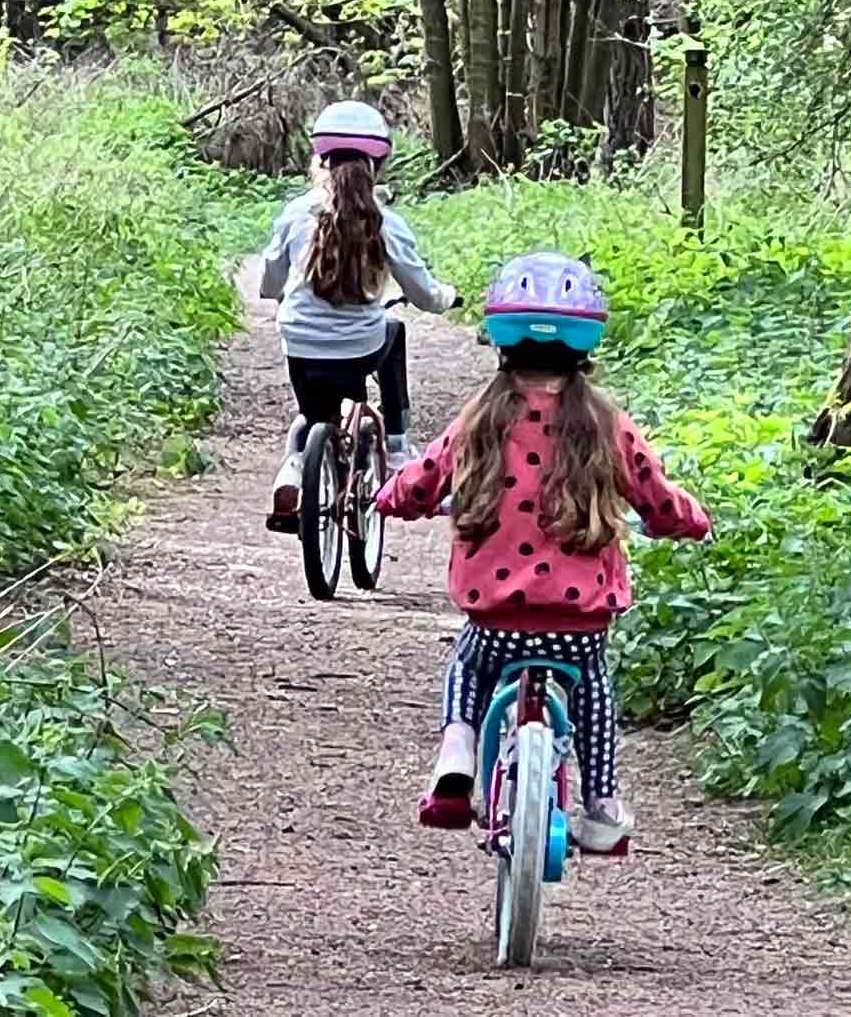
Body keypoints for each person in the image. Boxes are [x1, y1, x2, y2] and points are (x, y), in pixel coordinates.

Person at [374, 252, 711, 854]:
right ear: (586, 346)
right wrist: (688, 521)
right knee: (593, 691)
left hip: (496, 617)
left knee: (468, 669)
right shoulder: (606, 424)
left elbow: (424, 478)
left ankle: (457, 754)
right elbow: (655, 494)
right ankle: (602, 805)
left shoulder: (480, 418)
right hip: (577, 623)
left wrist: (392, 498)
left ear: (503, 342)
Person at [256, 100, 458, 531]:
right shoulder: (387, 223)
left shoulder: (296, 214)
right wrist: (448, 298)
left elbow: (269, 281)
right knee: (393, 329)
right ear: (377, 165)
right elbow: (423, 294)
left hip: (302, 347)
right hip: (360, 350)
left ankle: (292, 470)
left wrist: (279, 293)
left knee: (312, 416)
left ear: (321, 160)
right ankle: (398, 447)